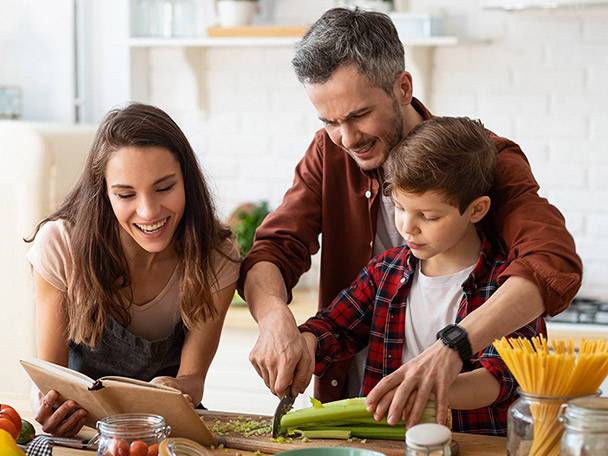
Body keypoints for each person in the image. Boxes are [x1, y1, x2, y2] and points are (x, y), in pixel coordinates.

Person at [240, 7, 582, 428]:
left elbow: (552, 262)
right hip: (363, 411)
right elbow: (275, 248)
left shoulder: (480, 160)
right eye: (329, 121)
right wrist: (276, 320)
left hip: (469, 425)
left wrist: (452, 348)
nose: (346, 139)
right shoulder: (329, 153)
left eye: (359, 115)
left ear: (402, 87)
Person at [298, 116, 546, 436]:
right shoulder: (384, 271)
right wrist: (304, 344)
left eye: (428, 216)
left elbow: (499, 378)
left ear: (476, 210)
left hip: (470, 445)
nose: (408, 227)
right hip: (387, 444)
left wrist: (424, 388)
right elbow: (333, 328)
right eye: (400, 208)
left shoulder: (508, 288)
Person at [25, 103, 240, 437]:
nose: (149, 212)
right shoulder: (61, 245)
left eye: (165, 187)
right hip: (84, 433)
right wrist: (49, 407)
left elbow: (194, 379)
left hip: (168, 432)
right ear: (104, 193)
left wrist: (179, 386)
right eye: (125, 194)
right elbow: (51, 377)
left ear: (187, 180)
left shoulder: (215, 255)